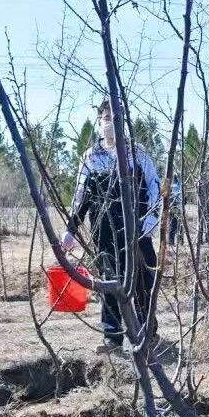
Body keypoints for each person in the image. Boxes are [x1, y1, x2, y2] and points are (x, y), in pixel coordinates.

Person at [64, 99, 161, 354]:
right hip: (104, 236)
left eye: (116, 119)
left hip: (136, 234)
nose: (110, 124)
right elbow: (81, 196)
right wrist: (70, 229)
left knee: (142, 283)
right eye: (106, 119)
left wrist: (149, 224)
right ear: (99, 122)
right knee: (108, 283)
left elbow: (154, 189)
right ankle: (112, 338)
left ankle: (146, 334)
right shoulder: (91, 158)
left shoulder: (137, 154)